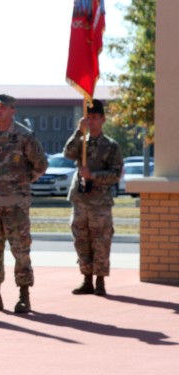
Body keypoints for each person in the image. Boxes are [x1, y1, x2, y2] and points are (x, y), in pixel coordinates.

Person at [0, 94, 48, 313]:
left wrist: (23, 182)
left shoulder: (24, 136)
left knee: (20, 250)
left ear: (13, 110)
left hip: (16, 204)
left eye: (2, 107)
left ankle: (24, 295)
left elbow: (40, 164)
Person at [63, 99, 123, 295]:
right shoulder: (81, 143)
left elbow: (116, 174)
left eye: (95, 118)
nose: (92, 121)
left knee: (101, 241)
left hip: (99, 203)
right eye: (88, 118)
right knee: (81, 240)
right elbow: (67, 153)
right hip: (80, 200)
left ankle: (100, 281)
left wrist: (94, 176)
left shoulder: (111, 146)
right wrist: (79, 131)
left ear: (103, 119)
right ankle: (86, 279)